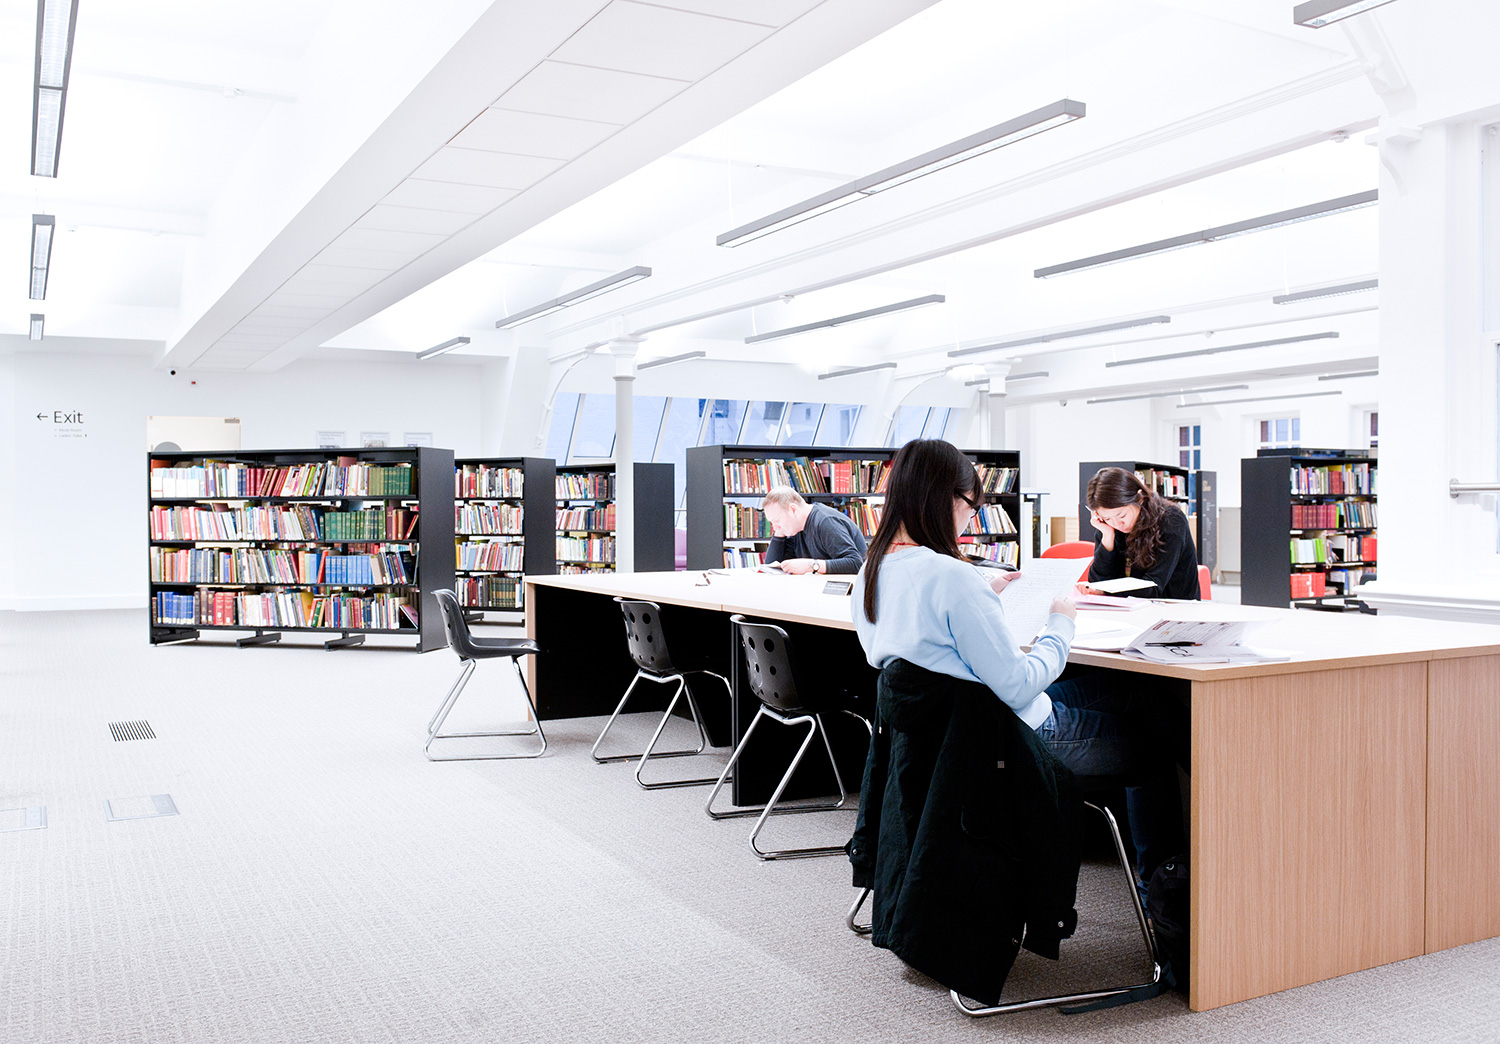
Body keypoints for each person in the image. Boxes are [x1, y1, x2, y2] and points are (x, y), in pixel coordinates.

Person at [854, 440, 1182, 894]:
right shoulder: (952, 576)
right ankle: (1162, 895)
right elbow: (1019, 686)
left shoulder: (871, 570)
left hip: (950, 732)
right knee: (1156, 747)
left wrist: (985, 595)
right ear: (945, 499)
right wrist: (1060, 625)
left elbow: (928, 642)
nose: (970, 519)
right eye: (972, 507)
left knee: (1133, 693)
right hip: (1008, 732)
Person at [1082, 466, 1200, 600]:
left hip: (1174, 606)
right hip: (1126, 606)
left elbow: (1153, 587)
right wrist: (1107, 537)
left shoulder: (1171, 520)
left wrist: (1105, 592)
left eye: (1122, 515)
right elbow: (1097, 582)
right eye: (1107, 518)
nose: (1117, 524)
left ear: (1140, 498)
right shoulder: (1109, 527)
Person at [760, 486, 867, 575]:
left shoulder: (826, 521)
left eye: (776, 520)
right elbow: (772, 568)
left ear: (793, 510)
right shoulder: (796, 528)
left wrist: (811, 565)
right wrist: (779, 533)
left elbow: (856, 563)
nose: (774, 527)